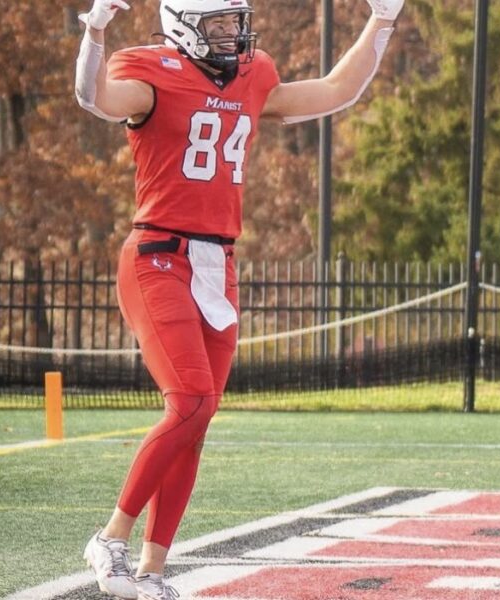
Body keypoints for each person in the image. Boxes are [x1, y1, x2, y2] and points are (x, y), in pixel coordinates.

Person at [74, 0, 403, 597]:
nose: (233, 33)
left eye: (236, 20)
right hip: (158, 256)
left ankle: (151, 570)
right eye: (219, 23)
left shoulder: (255, 75)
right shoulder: (148, 69)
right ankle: (111, 537)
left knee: (198, 421)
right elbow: (95, 97)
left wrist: (381, 21)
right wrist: (94, 32)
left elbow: (335, 91)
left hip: (217, 263)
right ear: (182, 25)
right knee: (191, 401)